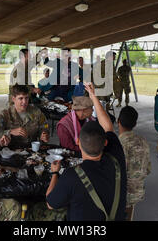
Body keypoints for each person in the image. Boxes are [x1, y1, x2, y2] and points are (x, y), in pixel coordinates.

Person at [45, 82, 127, 221]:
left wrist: (54, 173)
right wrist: (93, 96)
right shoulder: (116, 158)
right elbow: (107, 126)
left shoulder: (71, 176)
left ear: (78, 143)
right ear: (105, 142)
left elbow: (50, 203)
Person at [117, 106, 150, 220]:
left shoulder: (118, 145)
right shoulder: (143, 141)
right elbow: (148, 168)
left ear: (118, 121)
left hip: (122, 196)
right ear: (135, 124)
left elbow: (116, 174)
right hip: (138, 192)